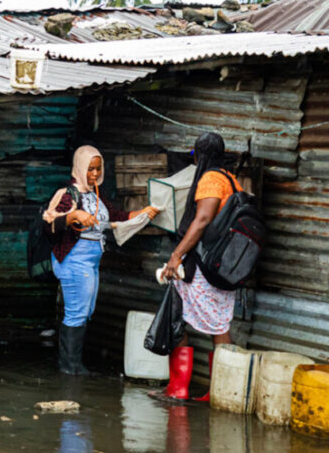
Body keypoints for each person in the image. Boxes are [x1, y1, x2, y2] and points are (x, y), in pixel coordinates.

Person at [44, 145, 160, 375]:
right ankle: (69, 366)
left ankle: (74, 364)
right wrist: (74, 215)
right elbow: (49, 226)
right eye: (90, 169)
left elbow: (116, 217)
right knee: (76, 311)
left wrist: (143, 213)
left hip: (91, 261)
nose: (95, 174)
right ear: (79, 167)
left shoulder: (96, 194)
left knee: (85, 310)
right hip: (74, 259)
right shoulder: (68, 195)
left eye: (98, 169)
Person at [154, 132, 241, 401]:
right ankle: (218, 391)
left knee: (180, 318)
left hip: (204, 265)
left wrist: (176, 256)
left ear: (199, 155)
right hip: (224, 268)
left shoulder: (211, 179)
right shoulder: (232, 180)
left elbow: (202, 220)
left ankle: (179, 389)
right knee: (219, 325)